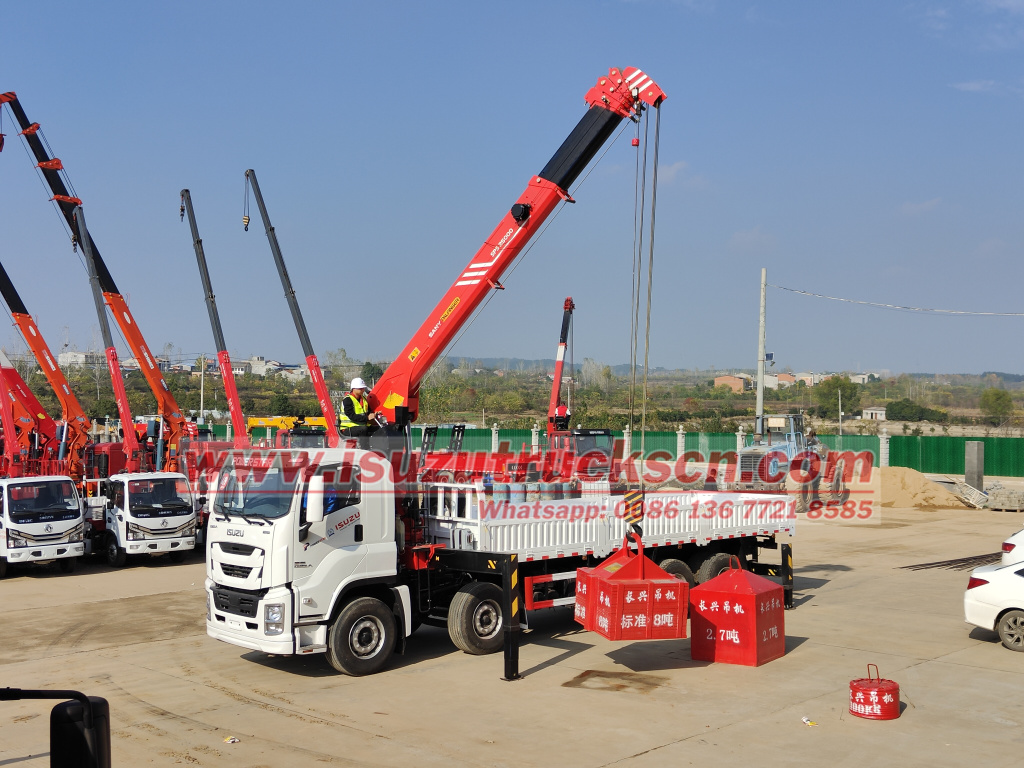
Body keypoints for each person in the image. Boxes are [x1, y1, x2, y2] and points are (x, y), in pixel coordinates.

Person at [337, 377, 379, 449]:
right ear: (354, 389)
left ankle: (376, 449)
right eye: (360, 388)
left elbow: (368, 411)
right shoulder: (347, 400)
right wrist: (367, 418)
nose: (362, 390)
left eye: (363, 388)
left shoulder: (364, 399)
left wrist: (374, 415)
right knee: (364, 429)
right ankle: (364, 450)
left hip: (360, 426)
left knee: (378, 429)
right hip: (347, 428)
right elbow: (352, 416)